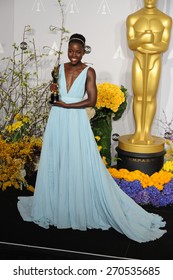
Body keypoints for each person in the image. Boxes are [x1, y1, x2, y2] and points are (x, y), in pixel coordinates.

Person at [17, 33, 167, 243]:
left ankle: (77, 205)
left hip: (75, 118)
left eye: (78, 51)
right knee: (58, 157)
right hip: (58, 118)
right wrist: (55, 92)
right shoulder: (60, 68)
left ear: (84, 50)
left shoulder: (89, 71)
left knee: (78, 160)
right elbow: (57, 93)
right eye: (71, 51)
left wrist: (68, 105)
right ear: (67, 50)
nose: (74, 55)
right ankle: (58, 204)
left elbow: (92, 100)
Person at [126, 0, 172, 144]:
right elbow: (131, 43)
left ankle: (147, 132)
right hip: (139, 61)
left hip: (154, 62)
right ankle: (138, 131)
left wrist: (148, 45)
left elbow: (164, 45)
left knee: (150, 97)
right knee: (138, 96)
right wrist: (143, 39)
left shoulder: (165, 19)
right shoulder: (133, 18)